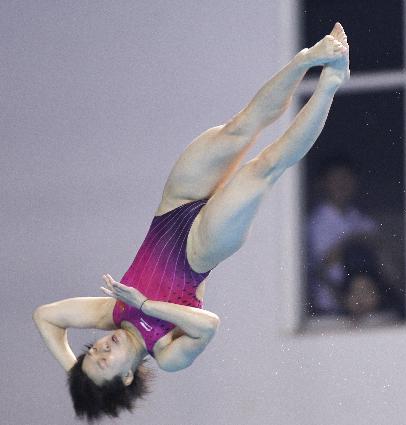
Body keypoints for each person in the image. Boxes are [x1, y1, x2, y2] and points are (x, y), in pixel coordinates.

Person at [33, 23, 350, 421]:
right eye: (102, 363)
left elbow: (44, 316)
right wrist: (145, 304)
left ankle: (309, 58)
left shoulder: (110, 313)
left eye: (90, 353)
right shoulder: (166, 354)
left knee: (240, 126)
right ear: (127, 378)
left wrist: (77, 376)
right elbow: (208, 326)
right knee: (264, 167)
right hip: (199, 249)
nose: (100, 350)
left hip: (171, 209)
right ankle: (332, 81)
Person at [306, 155, 377, 315]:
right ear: (322, 183)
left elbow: (380, 250)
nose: (341, 183)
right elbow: (319, 269)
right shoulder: (315, 223)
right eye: (335, 178)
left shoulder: (360, 218)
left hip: (363, 306)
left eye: (346, 177)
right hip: (327, 307)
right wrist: (352, 241)